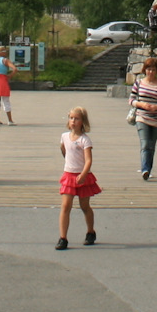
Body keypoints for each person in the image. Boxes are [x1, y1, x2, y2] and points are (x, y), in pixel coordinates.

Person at [55, 107, 100, 249]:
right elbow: (64, 150)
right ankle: (63, 238)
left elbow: (88, 160)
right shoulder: (64, 137)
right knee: (65, 206)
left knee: (84, 206)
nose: (73, 121)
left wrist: (83, 174)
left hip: (82, 175)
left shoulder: (84, 140)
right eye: (71, 118)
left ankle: (90, 231)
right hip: (69, 174)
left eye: (77, 119)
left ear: (83, 122)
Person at [128, 56, 157, 180]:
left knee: (151, 145)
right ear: (144, 70)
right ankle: (145, 169)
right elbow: (131, 100)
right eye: (148, 69)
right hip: (142, 117)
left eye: (153, 70)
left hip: (156, 119)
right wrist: (141, 104)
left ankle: (148, 168)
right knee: (145, 144)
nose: (150, 72)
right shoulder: (139, 83)